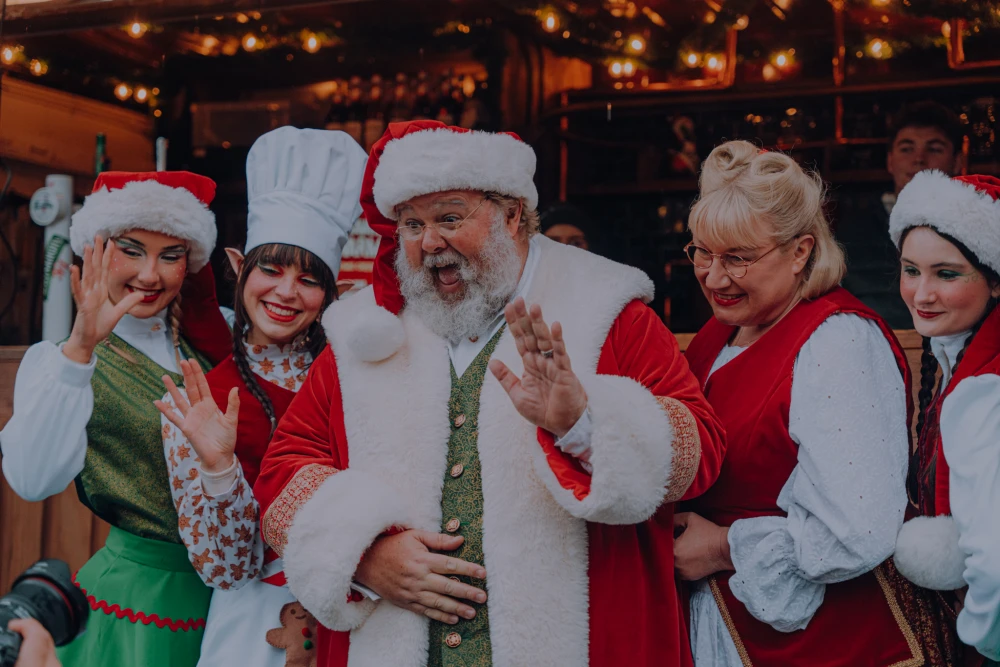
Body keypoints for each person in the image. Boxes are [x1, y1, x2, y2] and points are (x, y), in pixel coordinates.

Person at [251, 119, 727, 667]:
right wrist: (364, 554)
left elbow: (701, 451)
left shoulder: (606, 309)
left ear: (511, 215)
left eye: (450, 218)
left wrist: (584, 425)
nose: (430, 243)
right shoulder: (363, 333)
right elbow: (284, 470)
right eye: (410, 225)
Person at [676, 141, 931, 666]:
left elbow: (857, 530)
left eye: (738, 258)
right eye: (702, 252)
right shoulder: (716, 336)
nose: (714, 277)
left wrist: (725, 547)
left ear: (800, 251)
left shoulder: (838, 343)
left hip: (833, 645)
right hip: (725, 628)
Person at [154, 127, 367, 667]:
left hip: (361, 617)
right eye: (270, 269)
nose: (286, 292)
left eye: (309, 278)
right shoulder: (199, 401)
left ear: (332, 291)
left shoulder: (359, 379)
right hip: (250, 630)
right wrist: (220, 468)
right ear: (236, 265)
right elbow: (226, 571)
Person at [0, 171, 222, 666]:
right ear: (95, 249)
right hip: (138, 606)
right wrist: (80, 349)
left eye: (170, 256)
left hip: (231, 603)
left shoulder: (212, 342)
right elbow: (32, 481)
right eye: (131, 249)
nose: (150, 275)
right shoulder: (61, 360)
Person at [891, 171, 1000, 666]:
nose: (921, 293)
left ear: (994, 280)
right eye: (911, 270)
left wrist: (976, 634)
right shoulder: (963, 358)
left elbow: (997, 563)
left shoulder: (986, 389)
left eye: (947, 274)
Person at [838, 101, 965, 329]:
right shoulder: (849, 231)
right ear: (890, 161)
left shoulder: (975, 228)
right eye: (907, 149)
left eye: (934, 149)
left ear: (958, 162)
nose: (919, 159)